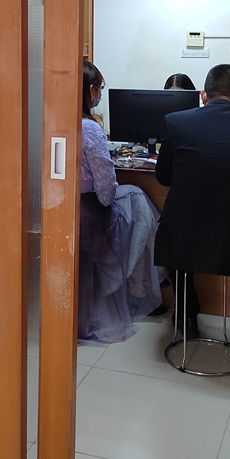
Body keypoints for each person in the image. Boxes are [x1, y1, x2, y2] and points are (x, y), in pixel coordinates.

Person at [154, 63, 230, 339]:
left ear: (203, 95)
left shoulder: (176, 122)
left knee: (174, 231)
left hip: (184, 241)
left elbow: (163, 177)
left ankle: (186, 314)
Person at [79, 61, 163, 344]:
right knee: (138, 200)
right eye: (99, 88)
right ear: (91, 90)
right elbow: (106, 190)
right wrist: (107, 202)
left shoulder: (55, 121)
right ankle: (141, 286)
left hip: (64, 210)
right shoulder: (90, 129)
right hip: (90, 212)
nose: (99, 94)